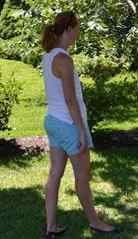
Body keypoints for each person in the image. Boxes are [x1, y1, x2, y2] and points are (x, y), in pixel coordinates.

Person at [41, 12, 117, 237]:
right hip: (67, 124)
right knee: (83, 176)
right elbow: (69, 99)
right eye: (77, 27)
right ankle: (95, 222)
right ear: (68, 29)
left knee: (55, 174)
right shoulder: (64, 59)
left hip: (52, 121)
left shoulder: (48, 56)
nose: (79, 32)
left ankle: (51, 226)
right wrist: (81, 131)